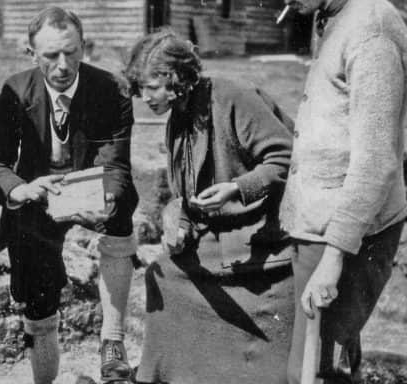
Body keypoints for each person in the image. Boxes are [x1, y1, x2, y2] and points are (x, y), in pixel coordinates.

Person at [0, 7, 138, 384]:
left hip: (91, 187)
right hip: (39, 196)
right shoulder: (16, 90)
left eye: (72, 52)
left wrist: (107, 198)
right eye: (51, 55)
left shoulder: (111, 88)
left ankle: (112, 343)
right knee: (38, 299)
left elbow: (115, 162)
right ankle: (44, 376)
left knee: (123, 205)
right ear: (30, 53)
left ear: (84, 47)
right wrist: (21, 189)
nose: (63, 65)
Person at [123, 30, 295, 384]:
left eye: (150, 87)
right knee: (165, 275)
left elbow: (286, 157)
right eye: (139, 88)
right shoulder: (178, 118)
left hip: (265, 241)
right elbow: (183, 194)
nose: (144, 97)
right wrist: (179, 221)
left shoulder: (234, 98)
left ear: (176, 78)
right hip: (213, 239)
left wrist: (237, 188)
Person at [279, 0, 407, 382]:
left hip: (350, 233)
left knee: (314, 371)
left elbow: (377, 161)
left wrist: (333, 258)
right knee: (318, 364)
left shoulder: (373, 30)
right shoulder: (330, 14)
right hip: (317, 220)